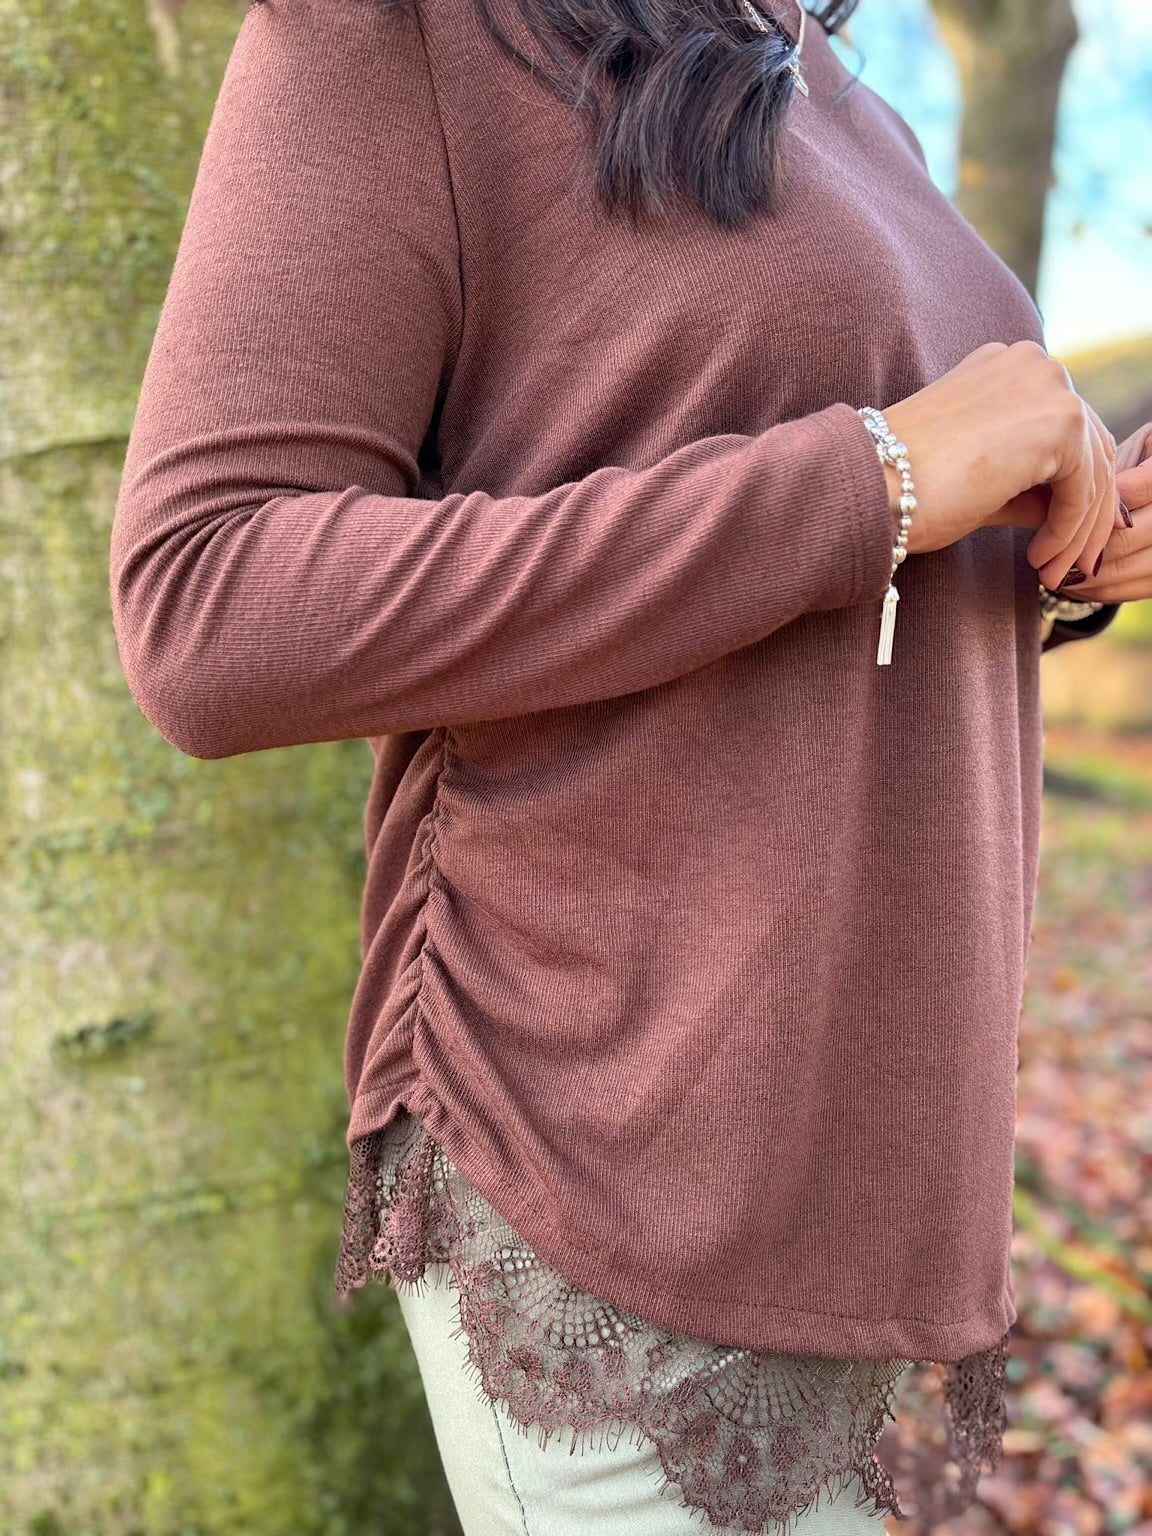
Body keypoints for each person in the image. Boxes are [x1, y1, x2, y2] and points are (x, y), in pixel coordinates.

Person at [108, 0, 1152, 1530]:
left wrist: (1069, 542)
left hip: (864, 1171)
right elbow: (209, 603)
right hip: (604, 1141)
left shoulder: (847, 95)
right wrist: (873, 475)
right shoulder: (397, 37)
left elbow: (828, 568)